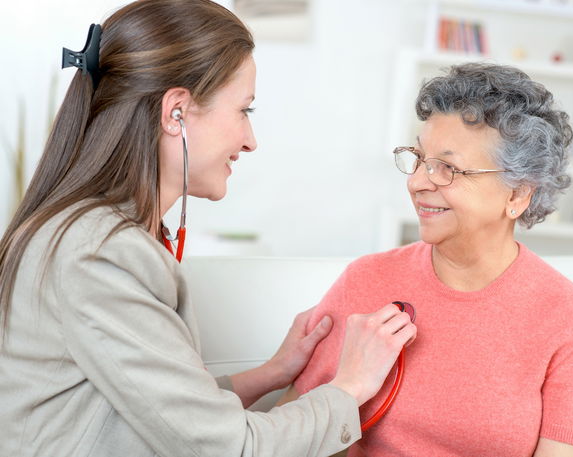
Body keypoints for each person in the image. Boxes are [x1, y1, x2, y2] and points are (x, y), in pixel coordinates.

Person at [0, 1, 417, 456]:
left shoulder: (90, 235)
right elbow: (224, 448)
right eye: (245, 110)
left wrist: (272, 373)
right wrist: (351, 386)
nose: (250, 141)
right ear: (176, 112)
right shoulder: (98, 253)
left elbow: (152, 409)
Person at [287, 63, 573, 457]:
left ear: (517, 196)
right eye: (419, 158)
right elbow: (295, 431)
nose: (418, 181)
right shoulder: (366, 280)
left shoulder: (571, 317)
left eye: (449, 168)